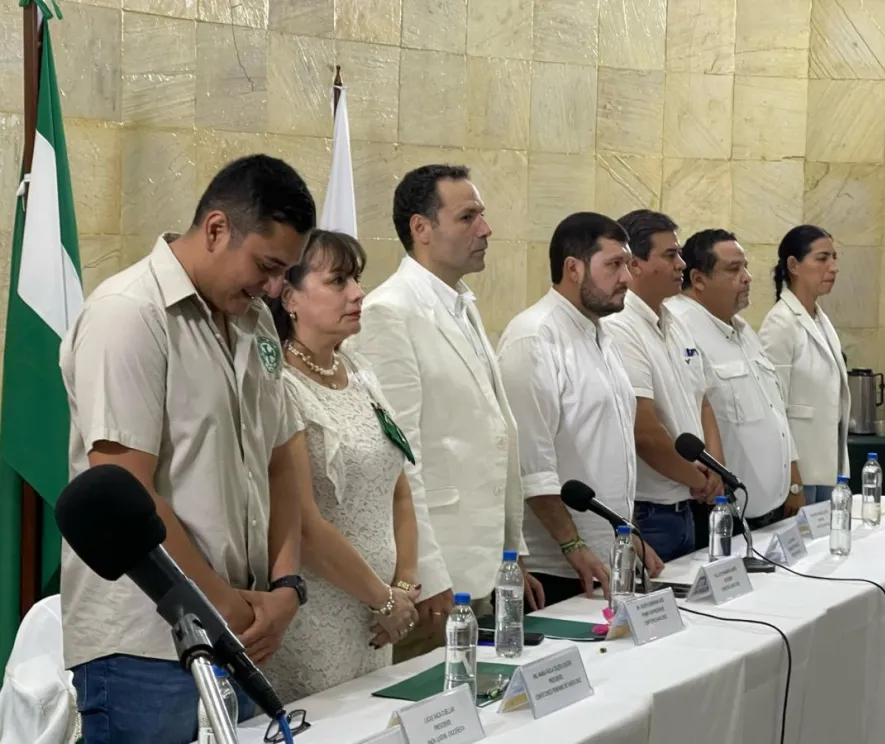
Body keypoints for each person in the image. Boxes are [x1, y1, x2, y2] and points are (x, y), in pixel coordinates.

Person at [59, 155, 316, 743]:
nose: (275, 288)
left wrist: (286, 588)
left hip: (240, 631)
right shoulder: (129, 313)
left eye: (286, 273)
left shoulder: (255, 321)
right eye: (267, 266)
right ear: (218, 228)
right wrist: (219, 603)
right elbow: (127, 487)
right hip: (145, 645)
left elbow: (280, 461)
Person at [350, 164, 542, 661]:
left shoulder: (462, 303)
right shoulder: (390, 311)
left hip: (479, 564)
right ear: (422, 229)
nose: (486, 229)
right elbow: (400, 455)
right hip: (436, 577)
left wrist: (509, 554)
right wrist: (427, 573)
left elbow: (495, 436)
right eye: (468, 216)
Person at [262, 230, 421, 701]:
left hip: (380, 617)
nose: (358, 294)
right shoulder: (280, 386)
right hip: (318, 613)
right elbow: (302, 524)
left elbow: (398, 487)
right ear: (290, 296)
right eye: (338, 281)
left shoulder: (361, 374)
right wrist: (384, 597)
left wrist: (405, 586)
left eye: (356, 279)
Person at [498, 212, 664, 609]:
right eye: (614, 265)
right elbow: (531, 465)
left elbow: (608, 452)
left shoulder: (600, 333)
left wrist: (628, 534)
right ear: (572, 268)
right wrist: (573, 545)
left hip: (607, 558)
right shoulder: (534, 338)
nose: (627, 277)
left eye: (626, 264)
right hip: (558, 569)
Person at [602, 210, 725, 563]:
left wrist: (714, 468)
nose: (682, 264)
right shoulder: (621, 326)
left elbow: (702, 401)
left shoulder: (674, 320)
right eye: (670, 255)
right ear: (634, 263)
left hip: (686, 504)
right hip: (649, 511)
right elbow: (644, 428)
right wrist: (697, 478)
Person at [668, 229, 803, 529]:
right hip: (721, 513)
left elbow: (774, 409)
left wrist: (793, 480)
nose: (747, 277)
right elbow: (692, 411)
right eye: (733, 269)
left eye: (745, 267)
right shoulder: (679, 328)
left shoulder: (741, 328)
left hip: (770, 507)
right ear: (698, 279)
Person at [759, 225, 851, 504]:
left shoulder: (820, 319)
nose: (833, 267)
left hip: (826, 465)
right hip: (799, 472)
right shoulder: (780, 323)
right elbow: (773, 406)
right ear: (794, 265)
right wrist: (792, 477)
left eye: (834, 258)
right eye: (822, 259)